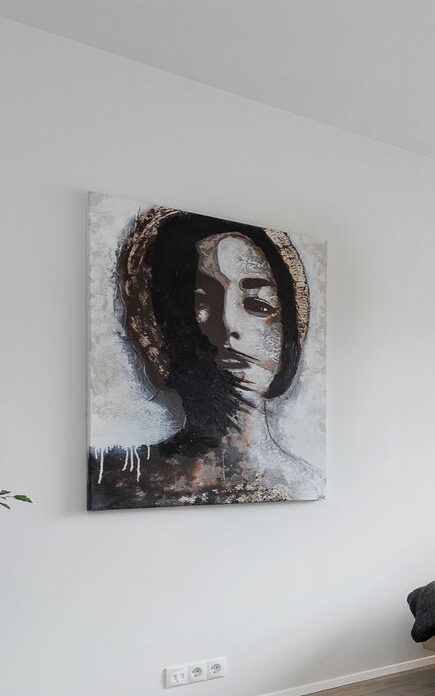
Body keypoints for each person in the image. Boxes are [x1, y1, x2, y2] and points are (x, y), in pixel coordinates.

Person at [88, 208, 322, 509]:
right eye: (202, 302)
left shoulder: (306, 485)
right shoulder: (112, 480)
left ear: (287, 333)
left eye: (258, 305)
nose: (229, 324)